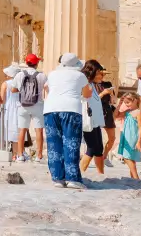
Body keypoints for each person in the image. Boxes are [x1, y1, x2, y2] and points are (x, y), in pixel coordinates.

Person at [43, 53, 93, 189]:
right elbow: (87, 94)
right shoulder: (80, 76)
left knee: (54, 145)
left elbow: (46, 88)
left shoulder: (52, 74)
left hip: (50, 108)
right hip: (71, 109)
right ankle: (72, 179)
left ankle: (58, 178)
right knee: (70, 143)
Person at [10, 54, 46, 162]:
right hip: (38, 105)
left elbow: (13, 90)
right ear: (37, 63)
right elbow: (47, 87)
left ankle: (20, 155)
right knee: (38, 130)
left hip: (23, 105)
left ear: (26, 63)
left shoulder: (20, 75)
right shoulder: (42, 75)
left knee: (22, 130)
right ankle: (39, 156)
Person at [80, 61, 107, 175]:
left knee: (99, 149)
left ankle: (101, 174)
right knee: (91, 149)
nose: (102, 76)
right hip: (88, 121)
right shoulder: (84, 83)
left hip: (95, 122)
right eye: (100, 73)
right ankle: (79, 173)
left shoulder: (92, 85)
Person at [90, 62, 118, 163]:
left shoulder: (107, 84)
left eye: (103, 74)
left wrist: (111, 95)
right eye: (101, 73)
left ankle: (104, 156)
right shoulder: (91, 85)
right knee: (95, 137)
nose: (102, 76)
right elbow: (92, 100)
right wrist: (103, 93)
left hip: (107, 110)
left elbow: (113, 101)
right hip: (96, 110)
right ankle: (94, 156)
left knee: (112, 137)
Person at [114, 92, 141, 179]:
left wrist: (139, 142)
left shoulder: (138, 113)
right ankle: (133, 178)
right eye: (125, 102)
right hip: (126, 137)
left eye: (128, 102)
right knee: (130, 158)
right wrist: (119, 104)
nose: (126, 104)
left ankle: (136, 177)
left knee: (127, 158)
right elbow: (115, 115)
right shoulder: (127, 111)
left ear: (135, 100)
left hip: (132, 138)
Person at [0, 65, 22, 154]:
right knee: (16, 131)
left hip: (8, 107)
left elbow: (2, 99)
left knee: (4, 130)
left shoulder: (5, 84)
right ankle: (16, 154)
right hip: (18, 107)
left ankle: (1, 152)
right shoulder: (20, 82)